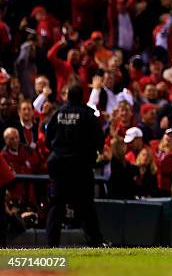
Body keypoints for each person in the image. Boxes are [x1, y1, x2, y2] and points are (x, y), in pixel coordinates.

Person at [45, 83, 105, 247]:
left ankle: (51, 245)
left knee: (56, 206)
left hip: (59, 166)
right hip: (81, 166)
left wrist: (60, 150)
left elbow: (47, 140)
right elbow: (99, 141)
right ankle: (96, 243)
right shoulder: (88, 114)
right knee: (86, 205)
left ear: (67, 96)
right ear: (83, 97)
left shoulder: (57, 114)